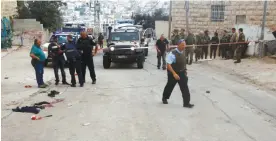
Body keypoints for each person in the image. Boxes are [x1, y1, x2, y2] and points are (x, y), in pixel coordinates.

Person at [162, 39, 194, 108]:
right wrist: (174, 74)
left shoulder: (183, 51)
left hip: (181, 72)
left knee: (185, 87)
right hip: (173, 72)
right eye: (182, 45)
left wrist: (185, 70)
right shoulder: (172, 53)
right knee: (170, 86)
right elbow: (168, 65)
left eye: (185, 45)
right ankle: (164, 98)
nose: (184, 46)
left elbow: (183, 62)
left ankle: (186, 103)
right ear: (178, 45)